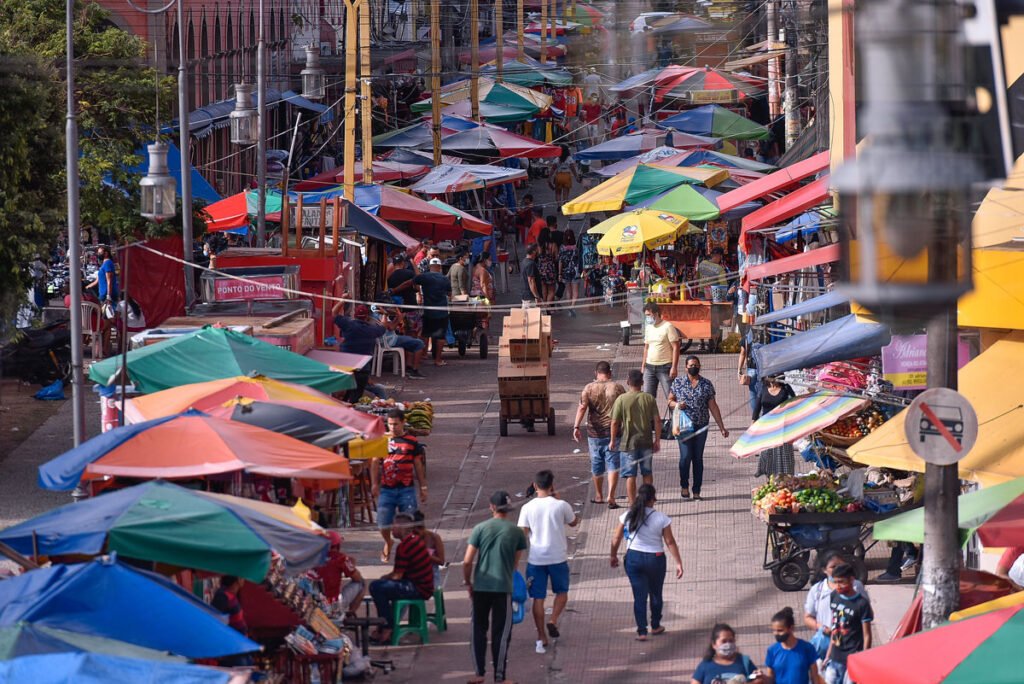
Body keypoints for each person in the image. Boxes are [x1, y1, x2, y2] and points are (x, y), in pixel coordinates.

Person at [463, 491, 529, 684]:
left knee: (478, 629)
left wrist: (468, 582)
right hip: (503, 587)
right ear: (508, 509)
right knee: (501, 633)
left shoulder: (480, 528)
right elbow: (515, 564)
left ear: (491, 507)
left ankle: (479, 674)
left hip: (481, 586)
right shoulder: (516, 532)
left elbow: (467, 561)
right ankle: (500, 677)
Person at [609, 484, 683, 640]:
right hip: (655, 558)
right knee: (656, 593)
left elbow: (616, 537)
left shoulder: (627, 515)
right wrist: (678, 562)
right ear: (653, 499)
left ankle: (642, 631)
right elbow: (670, 542)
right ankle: (655, 625)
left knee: (639, 596)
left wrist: (613, 555)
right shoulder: (661, 518)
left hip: (634, 558)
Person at [518, 470, 580, 654]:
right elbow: (574, 522)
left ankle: (541, 636)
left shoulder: (527, 508)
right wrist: (559, 499)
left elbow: (522, 534)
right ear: (552, 485)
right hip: (558, 557)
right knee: (562, 592)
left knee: (538, 598)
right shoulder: (561, 505)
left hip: (536, 558)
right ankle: (553, 620)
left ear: (535, 485)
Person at [368, 513, 436, 644]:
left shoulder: (405, 546)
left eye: (393, 526)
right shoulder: (415, 540)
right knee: (382, 586)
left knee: (376, 587)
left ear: (401, 528)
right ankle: (384, 625)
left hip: (418, 588)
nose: (391, 529)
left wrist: (385, 578)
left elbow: (397, 576)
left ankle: (387, 628)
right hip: (421, 584)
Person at [668, 356, 729, 500]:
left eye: (696, 365)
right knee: (685, 456)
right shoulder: (678, 382)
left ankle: (696, 490)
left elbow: (713, 406)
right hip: (683, 426)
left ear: (700, 366)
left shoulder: (706, 384)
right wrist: (677, 405)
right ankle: (684, 485)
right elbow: (669, 401)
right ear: (686, 367)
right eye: (690, 365)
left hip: (701, 425)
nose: (693, 367)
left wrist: (721, 427)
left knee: (697, 458)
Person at [370, 408, 427, 562]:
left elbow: (418, 464)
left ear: (402, 423)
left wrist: (423, 487)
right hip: (387, 489)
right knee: (383, 522)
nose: (392, 427)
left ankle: (407, 551)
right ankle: (388, 541)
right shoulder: (382, 440)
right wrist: (374, 483)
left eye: (395, 424)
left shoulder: (412, 441)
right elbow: (375, 462)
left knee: (409, 522)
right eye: (390, 424)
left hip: (406, 489)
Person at [573, 361, 626, 507]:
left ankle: (598, 495)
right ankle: (611, 496)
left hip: (594, 433)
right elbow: (624, 406)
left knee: (597, 463)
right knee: (613, 464)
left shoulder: (589, 388)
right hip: (614, 432)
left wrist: (576, 426)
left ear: (596, 373)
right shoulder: (617, 387)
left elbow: (582, 407)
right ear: (610, 373)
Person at [610, 369, 661, 505]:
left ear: (628, 382)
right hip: (646, 442)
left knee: (630, 475)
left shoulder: (621, 399)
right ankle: (648, 502)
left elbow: (614, 422)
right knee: (647, 473)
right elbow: (657, 420)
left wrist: (612, 440)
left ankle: (632, 504)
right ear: (642, 382)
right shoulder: (649, 398)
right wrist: (657, 440)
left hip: (627, 443)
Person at [804, 552, 868, 660]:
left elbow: (865, 615)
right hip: (826, 643)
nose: (837, 569)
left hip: (851, 644)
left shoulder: (856, 586)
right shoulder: (817, 590)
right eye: (833, 567)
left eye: (840, 565)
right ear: (824, 570)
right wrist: (822, 628)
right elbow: (807, 618)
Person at [824, 564, 873, 684]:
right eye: (835, 582)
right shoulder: (834, 596)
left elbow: (867, 635)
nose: (838, 586)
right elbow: (835, 626)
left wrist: (863, 659)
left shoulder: (861, 604)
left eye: (841, 582)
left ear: (851, 579)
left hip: (852, 658)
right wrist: (828, 655)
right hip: (835, 656)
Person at [334, 304, 387, 400]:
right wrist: (384, 314)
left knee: (343, 398)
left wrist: (342, 300)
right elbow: (383, 326)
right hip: (362, 370)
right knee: (355, 398)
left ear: (354, 315)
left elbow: (334, 312)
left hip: (346, 368)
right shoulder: (371, 330)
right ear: (367, 317)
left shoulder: (348, 324)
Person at [314, 531, 367, 615]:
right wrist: (352, 565)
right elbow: (357, 578)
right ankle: (351, 613)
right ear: (337, 545)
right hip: (333, 604)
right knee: (361, 584)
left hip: (315, 602)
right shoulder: (341, 558)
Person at [753, 376, 797, 477]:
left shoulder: (786, 388)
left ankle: (785, 477)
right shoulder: (763, 388)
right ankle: (770, 477)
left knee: (783, 454)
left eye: (775, 376)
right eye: (770, 376)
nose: (772, 380)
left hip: (783, 427)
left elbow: (795, 404)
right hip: (767, 428)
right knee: (768, 454)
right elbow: (757, 407)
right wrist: (753, 425)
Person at [692, 624, 765, 684]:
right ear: (714, 644)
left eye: (731, 641)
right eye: (724, 641)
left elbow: (758, 679)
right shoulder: (706, 665)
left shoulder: (744, 662)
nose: (728, 644)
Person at [765, 607, 822, 684]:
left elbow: (814, 677)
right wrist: (761, 677)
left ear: (791, 628)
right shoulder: (772, 651)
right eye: (774, 630)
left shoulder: (807, 648)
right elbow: (770, 679)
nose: (776, 634)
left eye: (780, 630)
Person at [413, 258, 451, 367]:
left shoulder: (425, 277)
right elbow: (449, 293)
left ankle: (423, 355)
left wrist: (418, 292)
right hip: (442, 311)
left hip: (428, 311)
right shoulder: (444, 279)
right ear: (439, 267)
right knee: (440, 337)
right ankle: (438, 360)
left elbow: (414, 281)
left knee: (425, 334)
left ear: (430, 267)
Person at [641, 301, 682, 400]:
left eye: (649, 315)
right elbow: (646, 347)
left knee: (671, 397)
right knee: (648, 399)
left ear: (656, 313)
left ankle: (674, 411)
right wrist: (643, 366)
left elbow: (676, 347)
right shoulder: (648, 328)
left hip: (665, 367)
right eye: (646, 315)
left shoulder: (668, 326)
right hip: (649, 367)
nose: (647, 318)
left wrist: (674, 367)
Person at [412, 510, 446, 589]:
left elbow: (441, 561)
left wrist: (424, 554)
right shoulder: (411, 539)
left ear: (422, 528)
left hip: (432, 576)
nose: (415, 536)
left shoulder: (434, 538)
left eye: (417, 533)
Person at [557, 229, 582, 317]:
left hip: (566, 271)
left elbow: (560, 261)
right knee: (575, 292)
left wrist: (559, 274)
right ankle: (572, 307)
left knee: (568, 291)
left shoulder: (562, 248)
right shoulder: (576, 248)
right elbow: (579, 259)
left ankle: (569, 307)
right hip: (575, 271)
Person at [537, 233, 558, 305]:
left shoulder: (539, 246)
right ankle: (547, 306)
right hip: (550, 269)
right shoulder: (553, 245)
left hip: (541, 270)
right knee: (551, 290)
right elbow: (556, 257)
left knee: (543, 289)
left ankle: (544, 304)